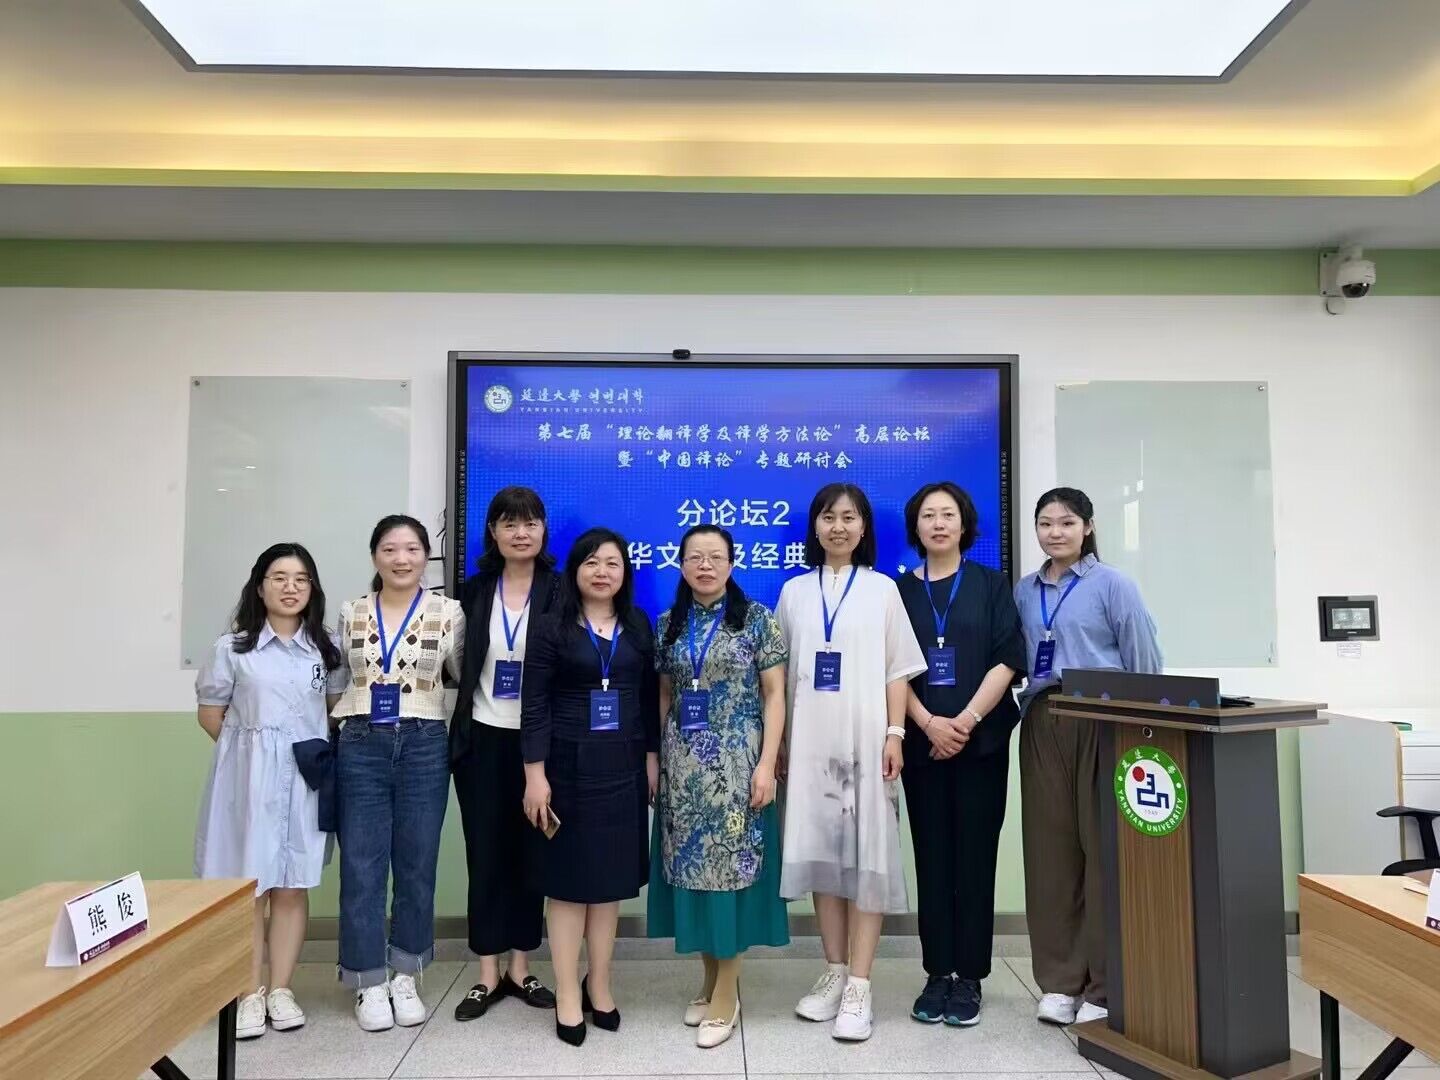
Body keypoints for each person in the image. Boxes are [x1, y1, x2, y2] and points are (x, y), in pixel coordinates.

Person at [775, 482, 927, 1042]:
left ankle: (860, 985)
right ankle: (835, 971)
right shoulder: (793, 592)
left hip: (867, 743)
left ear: (864, 528)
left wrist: (895, 733)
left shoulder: (883, 590)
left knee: (868, 859)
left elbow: (897, 670)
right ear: (814, 526)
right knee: (822, 858)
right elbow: (777, 678)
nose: (838, 527)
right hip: (809, 745)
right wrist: (781, 743)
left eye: (849, 517)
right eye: (828, 517)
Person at [1015, 487, 1161, 1027]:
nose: (1055, 532)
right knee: (1050, 855)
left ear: (1088, 527)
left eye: (1067, 522)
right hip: (1044, 720)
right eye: (1046, 523)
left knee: (1103, 853)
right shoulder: (1024, 590)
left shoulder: (1114, 585)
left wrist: (1143, 729)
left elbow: (1145, 661)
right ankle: (1059, 982)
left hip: (1104, 721)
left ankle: (1104, 985)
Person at [194, 542, 347, 1040]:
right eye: (279, 577)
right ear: (259, 587)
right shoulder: (233, 649)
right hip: (248, 781)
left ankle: (281, 989)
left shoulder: (326, 649)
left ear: (312, 589)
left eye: (301, 579)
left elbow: (332, 710)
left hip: (305, 778)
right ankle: (249, 993)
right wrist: (251, 758)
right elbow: (211, 714)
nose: (290, 587)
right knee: (249, 888)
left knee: (291, 883)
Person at [648, 524, 789, 1049]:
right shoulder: (668, 624)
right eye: (695, 557)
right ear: (681, 564)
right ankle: (709, 981)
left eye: (715, 557)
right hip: (684, 772)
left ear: (732, 564)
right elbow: (665, 697)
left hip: (737, 768)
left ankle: (728, 993)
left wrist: (766, 763)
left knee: (730, 874)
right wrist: (658, 762)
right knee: (693, 872)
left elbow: (774, 696)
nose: (705, 565)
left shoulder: (757, 620)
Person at [521, 528, 660, 1046]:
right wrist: (534, 775)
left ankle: (599, 983)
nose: (602, 572)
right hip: (565, 769)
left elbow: (647, 699)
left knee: (608, 885)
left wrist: (651, 759)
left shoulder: (637, 624)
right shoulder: (550, 626)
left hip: (623, 767)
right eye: (592, 563)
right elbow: (533, 703)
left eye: (613, 563)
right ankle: (566, 990)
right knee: (567, 885)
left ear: (625, 573)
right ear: (575, 570)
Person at [896, 482, 1026, 1028]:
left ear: (964, 524)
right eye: (928, 515)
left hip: (981, 744)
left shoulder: (991, 585)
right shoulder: (899, 591)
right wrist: (928, 722)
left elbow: (1007, 659)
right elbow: (890, 669)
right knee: (932, 857)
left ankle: (969, 976)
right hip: (922, 743)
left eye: (948, 514)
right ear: (916, 526)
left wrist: (966, 721)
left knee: (974, 858)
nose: (938, 523)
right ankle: (936, 972)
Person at [331, 515, 465, 1032]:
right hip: (360, 741)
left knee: (416, 862)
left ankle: (406, 973)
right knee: (361, 865)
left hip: (425, 742)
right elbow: (336, 680)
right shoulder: (351, 612)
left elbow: (462, 673)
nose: (401, 558)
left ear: (426, 556)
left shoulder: (448, 612)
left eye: (411, 549)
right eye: (390, 549)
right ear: (375, 557)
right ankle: (368, 980)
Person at [450, 487, 559, 1021]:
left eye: (531, 522)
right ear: (492, 532)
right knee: (485, 853)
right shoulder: (472, 592)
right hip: (483, 738)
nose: (521, 532)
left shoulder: (560, 590)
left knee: (531, 854)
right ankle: (487, 972)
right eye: (510, 523)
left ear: (543, 531)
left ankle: (521, 966)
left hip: (541, 743)